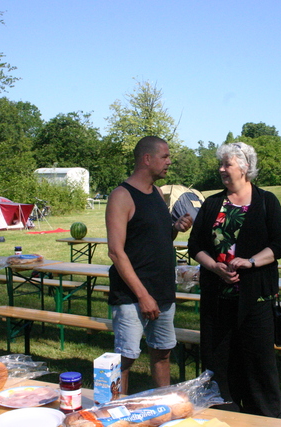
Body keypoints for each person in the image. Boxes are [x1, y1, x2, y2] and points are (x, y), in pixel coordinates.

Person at [187, 141, 281, 418]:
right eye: (220, 164)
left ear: (244, 168)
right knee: (219, 362)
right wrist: (214, 267)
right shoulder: (211, 204)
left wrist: (251, 261)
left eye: (227, 164)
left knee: (259, 363)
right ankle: (223, 415)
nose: (221, 169)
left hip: (256, 299)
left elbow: (280, 244)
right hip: (217, 299)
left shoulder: (266, 201)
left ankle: (266, 418)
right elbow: (195, 244)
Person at [105, 136, 193, 394]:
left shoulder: (156, 193)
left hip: (163, 290)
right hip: (132, 295)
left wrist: (175, 229)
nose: (169, 161)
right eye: (164, 156)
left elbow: (158, 237)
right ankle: (115, 411)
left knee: (162, 352)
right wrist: (143, 296)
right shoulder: (121, 196)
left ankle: (164, 406)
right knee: (125, 358)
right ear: (146, 159)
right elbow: (116, 252)